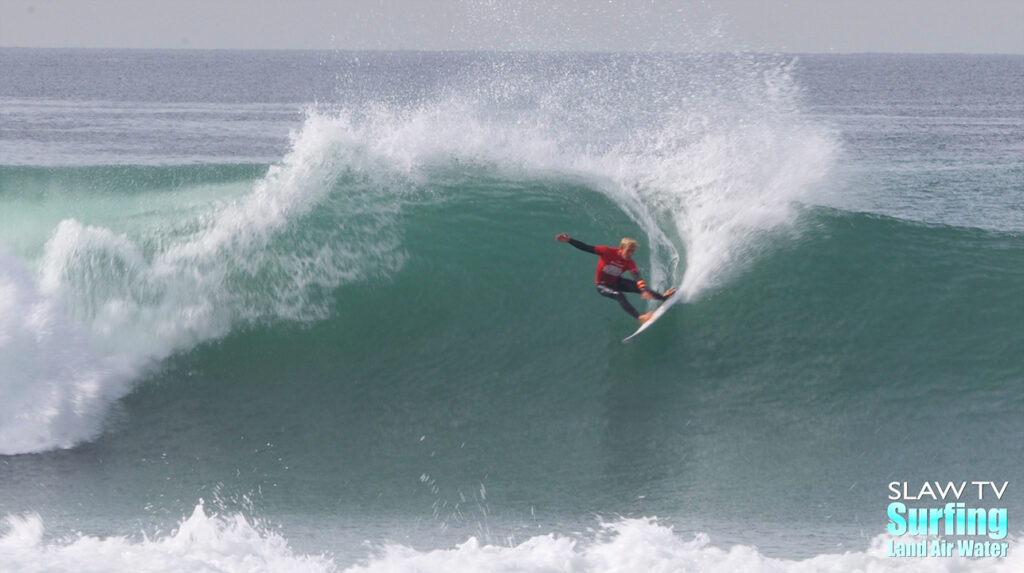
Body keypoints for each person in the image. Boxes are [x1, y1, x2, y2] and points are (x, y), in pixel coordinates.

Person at [556, 233, 675, 323]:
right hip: (602, 285)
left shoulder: (630, 262)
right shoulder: (606, 251)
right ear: (621, 248)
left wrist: (643, 288)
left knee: (643, 288)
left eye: (632, 251)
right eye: (628, 251)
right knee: (619, 295)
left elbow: (637, 277)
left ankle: (663, 298)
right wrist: (569, 240)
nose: (630, 254)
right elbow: (586, 247)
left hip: (617, 282)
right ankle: (641, 318)